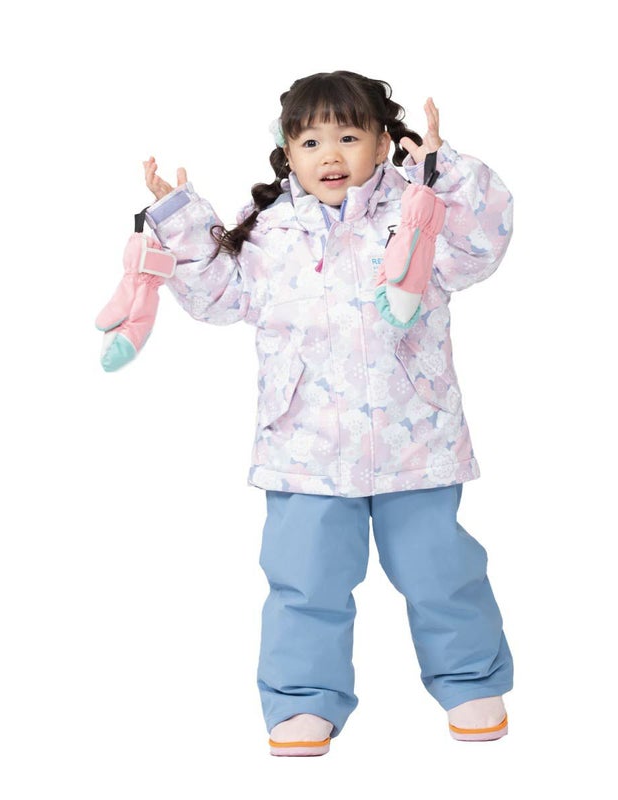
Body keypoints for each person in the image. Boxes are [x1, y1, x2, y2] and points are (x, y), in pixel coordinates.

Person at [140, 70, 514, 756]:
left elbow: (481, 247)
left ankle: (468, 681)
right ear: (288, 150)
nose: (331, 154)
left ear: (382, 143)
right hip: (304, 446)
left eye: (349, 136)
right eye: (311, 141)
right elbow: (217, 297)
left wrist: (445, 170)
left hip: (415, 437)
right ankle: (303, 698)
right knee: (304, 581)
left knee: (440, 571)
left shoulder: (420, 209)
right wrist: (181, 221)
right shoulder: (269, 231)